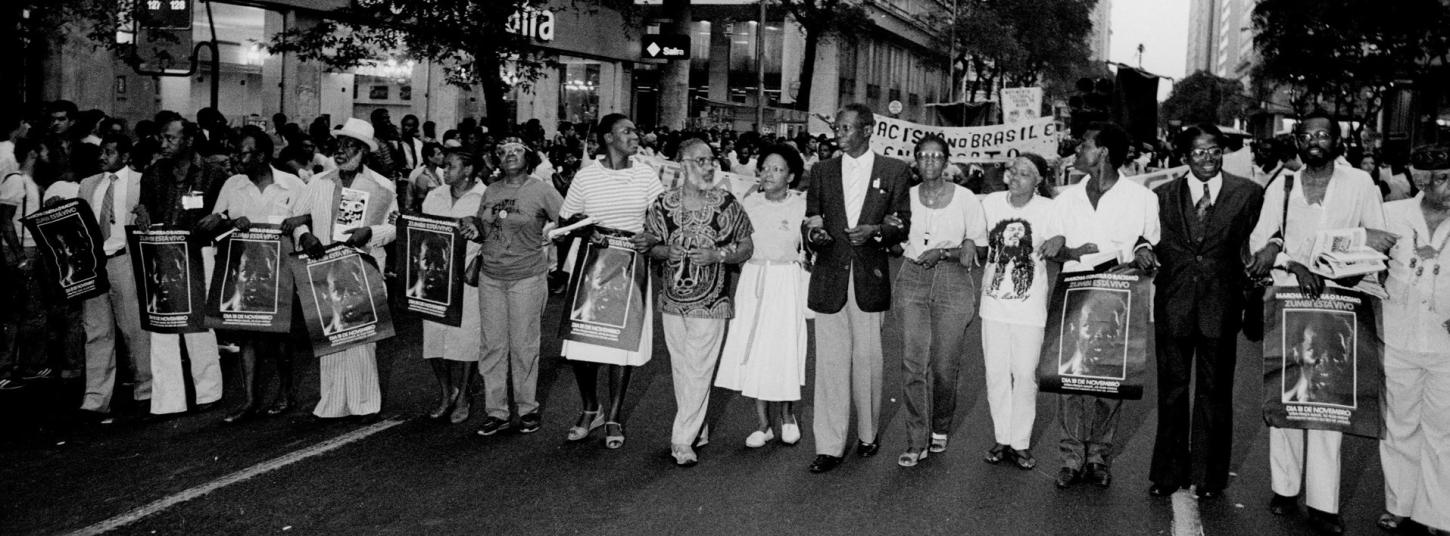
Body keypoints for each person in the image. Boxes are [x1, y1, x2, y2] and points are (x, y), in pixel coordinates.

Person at [1247, 111, 1394, 535]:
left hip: (1338, 302)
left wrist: (1344, 264)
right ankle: (1284, 489)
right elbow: (1262, 240)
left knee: (1328, 401)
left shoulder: (1359, 184)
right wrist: (1293, 262)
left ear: (1337, 140)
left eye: (1323, 134)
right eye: (1308, 134)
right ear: (1297, 139)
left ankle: (1324, 504)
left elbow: (1377, 236)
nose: (1315, 140)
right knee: (1288, 394)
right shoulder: (1284, 183)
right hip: (1289, 298)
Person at [1040, 121, 1160, 489]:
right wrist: (1063, 246)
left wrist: (1143, 252)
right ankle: (1071, 457)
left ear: (1103, 152)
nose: (1077, 152)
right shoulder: (1065, 199)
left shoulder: (1142, 198)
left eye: (1084, 146)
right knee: (1071, 379)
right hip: (1074, 296)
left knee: (1108, 380)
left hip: (1119, 297)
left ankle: (1098, 458)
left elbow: (1149, 241)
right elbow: (1051, 244)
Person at [1148, 123, 1264, 499]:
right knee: (1172, 391)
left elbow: (1258, 243)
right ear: (1184, 156)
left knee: (1215, 394)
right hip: (1173, 305)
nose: (1208, 159)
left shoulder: (1248, 194)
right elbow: (1144, 236)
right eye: (1198, 152)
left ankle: (1209, 477)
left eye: (1214, 151)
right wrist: (1140, 249)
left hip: (1221, 306)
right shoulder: (1161, 195)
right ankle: (1167, 473)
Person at [803, 103, 912, 474]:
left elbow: (901, 222)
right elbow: (812, 216)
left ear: (868, 130)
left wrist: (876, 232)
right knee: (831, 364)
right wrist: (815, 233)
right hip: (830, 275)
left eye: (847, 128)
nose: (839, 134)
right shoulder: (821, 171)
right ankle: (829, 446)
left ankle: (868, 433)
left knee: (867, 359)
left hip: (868, 276)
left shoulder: (893, 171)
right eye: (837, 127)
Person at [644, 138, 754, 467]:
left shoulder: (726, 203)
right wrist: (665, 251)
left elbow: (746, 246)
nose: (708, 167)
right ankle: (698, 427)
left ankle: (681, 439)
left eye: (711, 161)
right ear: (682, 165)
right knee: (683, 368)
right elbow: (650, 244)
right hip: (672, 300)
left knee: (699, 367)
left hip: (711, 303)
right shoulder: (662, 203)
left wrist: (718, 254)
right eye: (700, 161)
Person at [557, 114, 663, 448]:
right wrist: (581, 226)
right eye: (627, 131)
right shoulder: (586, 177)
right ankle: (591, 408)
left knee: (621, 343)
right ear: (607, 137)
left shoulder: (647, 175)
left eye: (635, 130)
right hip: (591, 262)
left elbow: (660, 218)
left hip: (630, 263)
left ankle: (614, 415)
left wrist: (650, 236)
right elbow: (565, 219)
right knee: (580, 345)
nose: (635, 135)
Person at [289, 117, 399, 420]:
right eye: (339, 145)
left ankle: (365, 403)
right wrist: (305, 236)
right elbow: (295, 217)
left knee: (362, 340)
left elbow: (392, 229)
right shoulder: (320, 181)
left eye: (350, 146)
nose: (342, 151)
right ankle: (333, 404)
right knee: (332, 338)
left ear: (364, 151)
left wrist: (369, 233)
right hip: (325, 269)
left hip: (364, 268)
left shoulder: (382, 186)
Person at [889, 135, 986, 468]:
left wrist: (948, 251)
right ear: (915, 160)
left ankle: (940, 425)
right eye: (923, 155)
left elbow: (980, 248)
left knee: (944, 367)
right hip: (912, 277)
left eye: (936, 156)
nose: (929, 161)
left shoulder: (967, 199)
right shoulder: (905, 197)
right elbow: (892, 235)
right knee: (913, 363)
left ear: (946, 162)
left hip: (951, 280)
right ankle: (917, 439)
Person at [201, 127, 305, 423]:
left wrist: (298, 222)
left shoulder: (291, 185)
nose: (235, 158)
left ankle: (285, 393)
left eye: (242, 153)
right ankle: (249, 400)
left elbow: (306, 220)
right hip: (243, 270)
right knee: (246, 335)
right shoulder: (233, 184)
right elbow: (218, 221)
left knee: (281, 338)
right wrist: (231, 221)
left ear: (260, 155)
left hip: (281, 272)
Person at [461, 138, 562, 436]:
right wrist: (472, 227)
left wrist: (556, 235)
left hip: (527, 277)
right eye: (502, 153)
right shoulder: (491, 190)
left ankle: (527, 408)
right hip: (491, 276)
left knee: (523, 345)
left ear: (527, 157)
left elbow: (567, 221)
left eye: (516, 151)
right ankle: (496, 412)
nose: (509, 156)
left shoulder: (542, 190)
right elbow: (485, 231)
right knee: (492, 346)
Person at [715, 144, 809, 450]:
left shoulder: (801, 206)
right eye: (766, 167)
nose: (769, 173)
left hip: (785, 280)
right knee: (754, 348)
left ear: (791, 176)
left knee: (783, 349)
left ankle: (787, 417)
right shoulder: (749, 203)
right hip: (754, 279)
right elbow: (735, 241)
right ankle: (763, 425)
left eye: (778, 169)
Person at [1377, 144, 1450, 535]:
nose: (1445, 186)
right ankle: (1399, 504)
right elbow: (1367, 268)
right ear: (1420, 178)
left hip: (1446, 346)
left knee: (1444, 430)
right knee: (1400, 426)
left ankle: (1438, 514)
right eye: (1437, 178)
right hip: (1399, 336)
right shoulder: (1392, 215)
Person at [133, 117, 228, 416]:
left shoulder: (214, 175)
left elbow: (227, 215)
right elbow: (143, 205)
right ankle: (168, 401)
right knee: (162, 329)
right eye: (162, 139)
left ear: (188, 140)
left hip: (198, 255)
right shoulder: (152, 174)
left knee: (198, 326)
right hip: (161, 256)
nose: (163, 144)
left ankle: (208, 392)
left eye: (170, 138)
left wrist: (219, 219)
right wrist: (141, 212)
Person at [978, 153, 1058, 471]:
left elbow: (1062, 239)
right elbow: (974, 235)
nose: (1017, 176)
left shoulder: (1049, 210)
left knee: (1024, 375)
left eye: (1027, 173)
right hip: (993, 306)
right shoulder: (991, 203)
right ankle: (1002, 438)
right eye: (1014, 170)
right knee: (996, 374)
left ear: (1039, 181)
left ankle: (1020, 442)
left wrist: (1059, 242)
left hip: (1029, 309)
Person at [414, 149, 487, 424]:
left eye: (451, 166)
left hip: (467, 276)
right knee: (434, 336)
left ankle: (465, 394)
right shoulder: (435, 195)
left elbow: (492, 234)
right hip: (434, 275)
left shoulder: (484, 196)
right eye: (444, 166)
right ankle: (447, 391)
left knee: (467, 337)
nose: (445, 170)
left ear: (468, 170)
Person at [0, 138, 47, 388]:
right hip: (19, 252)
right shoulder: (16, 181)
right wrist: (19, 257)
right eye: (42, 150)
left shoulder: (28, 182)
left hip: (27, 250)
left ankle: (23, 366)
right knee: (19, 312)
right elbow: (5, 221)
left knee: (25, 311)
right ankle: (9, 369)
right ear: (32, 153)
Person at [406, 142, 445, 212]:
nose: (442, 156)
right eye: (439, 154)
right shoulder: (422, 177)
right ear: (430, 158)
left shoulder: (439, 173)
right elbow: (422, 205)